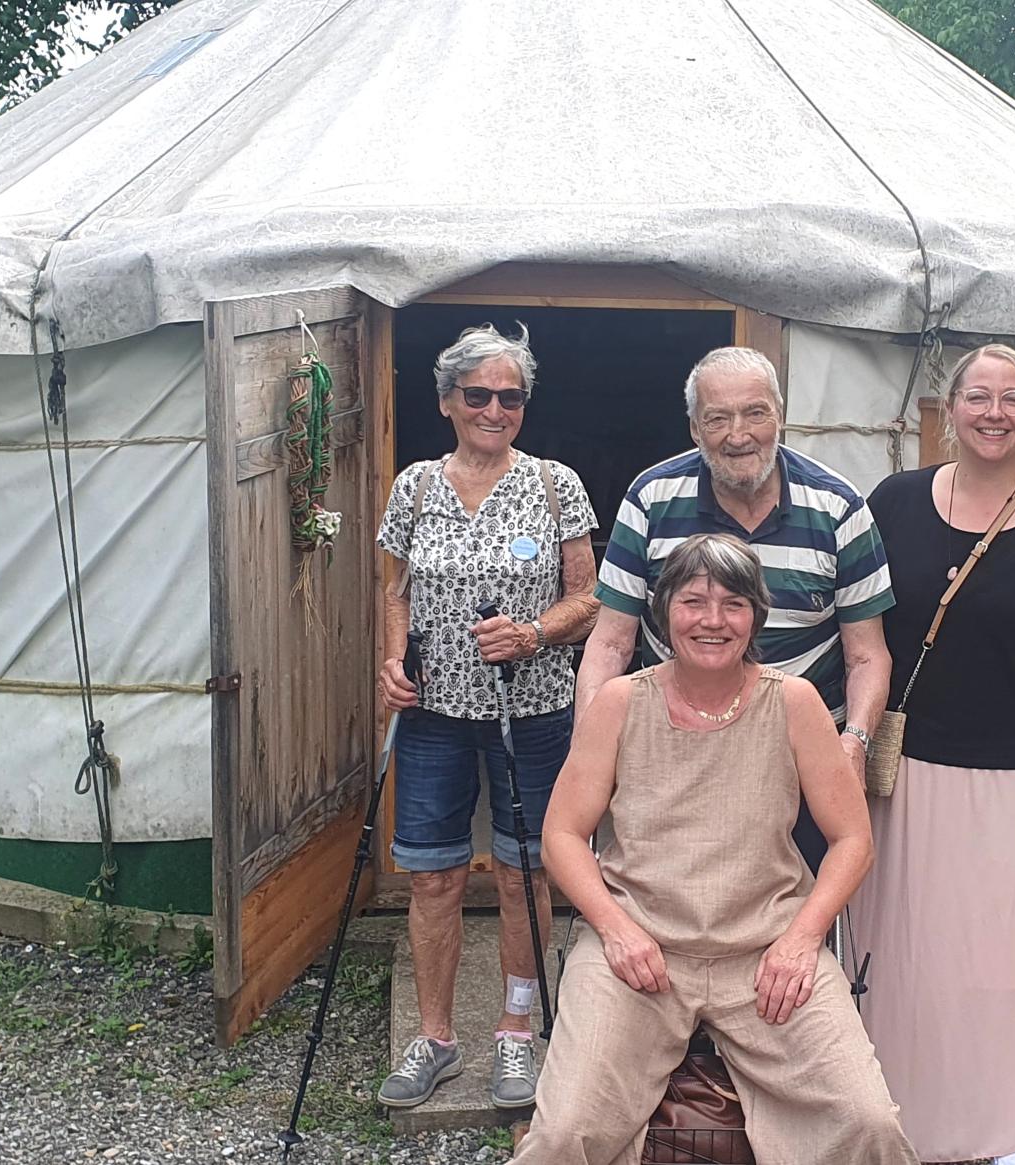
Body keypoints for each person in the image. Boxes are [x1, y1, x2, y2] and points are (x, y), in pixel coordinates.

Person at [511, 534, 917, 1165]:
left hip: (766, 950)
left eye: (733, 603)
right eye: (693, 601)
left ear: (757, 615)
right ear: (663, 610)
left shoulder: (795, 703)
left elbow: (852, 840)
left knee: (867, 1122)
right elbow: (562, 835)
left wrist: (802, 939)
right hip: (638, 950)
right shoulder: (620, 703)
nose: (712, 620)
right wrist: (615, 930)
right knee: (565, 1133)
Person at [849, 344, 1015, 1165]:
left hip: (1011, 776)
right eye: (977, 396)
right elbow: (855, 634)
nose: (993, 413)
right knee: (895, 956)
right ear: (949, 408)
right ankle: (888, 1122)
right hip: (901, 771)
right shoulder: (893, 503)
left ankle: (993, 1133)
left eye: (1011, 398)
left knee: (996, 965)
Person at [373, 324, 599, 1111]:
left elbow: (587, 597)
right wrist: (392, 662)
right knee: (432, 874)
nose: (494, 409)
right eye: (478, 395)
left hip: (530, 709)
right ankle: (436, 1037)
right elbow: (395, 591)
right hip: (433, 712)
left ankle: (515, 1030)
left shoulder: (553, 484)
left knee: (522, 870)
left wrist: (533, 632)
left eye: (510, 396)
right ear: (447, 401)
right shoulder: (415, 487)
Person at [575, 346, 893, 870]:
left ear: (781, 415)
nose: (738, 434)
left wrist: (852, 744)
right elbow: (610, 642)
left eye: (755, 413)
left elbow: (867, 656)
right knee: (667, 894)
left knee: (797, 899)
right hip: (670, 746)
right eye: (717, 418)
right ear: (694, 429)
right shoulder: (651, 499)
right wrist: (591, 748)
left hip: (797, 754)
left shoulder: (838, 507)